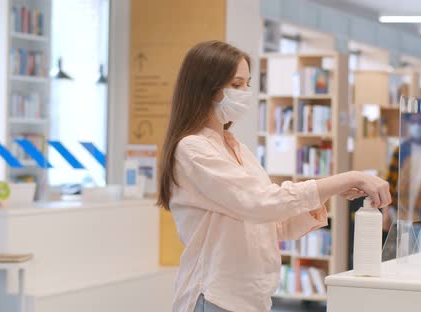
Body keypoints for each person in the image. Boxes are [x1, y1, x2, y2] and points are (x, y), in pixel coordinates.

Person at [156, 40, 392, 312]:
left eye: (248, 83)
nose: (245, 92)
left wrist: (329, 190)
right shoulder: (192, 149)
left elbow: (272, 222)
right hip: (216, 295)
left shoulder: (236, 148)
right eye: (236, 85)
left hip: (251, 297)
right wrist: (346, 178)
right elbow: (257, 203)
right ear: (206, 87)